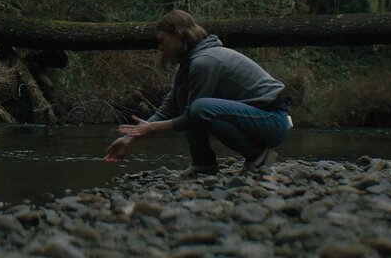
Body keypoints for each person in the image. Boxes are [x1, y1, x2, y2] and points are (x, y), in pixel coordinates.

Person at [103, 9, 292, 175]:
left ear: (178, 36)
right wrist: (130, 137)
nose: (159, 47)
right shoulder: (188, 65)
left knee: (200, 108)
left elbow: (193, 115)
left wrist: (153, 127)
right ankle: (203, 165)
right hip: (257, 119)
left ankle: (259, 156)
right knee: (185, 97)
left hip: (272, 121)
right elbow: (170, 107)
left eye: (162, 41)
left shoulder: (205, 61)